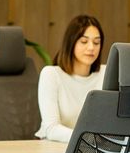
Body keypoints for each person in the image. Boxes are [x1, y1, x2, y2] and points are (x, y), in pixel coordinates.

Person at [36, 13, 105, 143]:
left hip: (94, 151)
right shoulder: (51, 74)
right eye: (84, 41)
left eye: (97, 42)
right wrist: (87, 139)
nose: (91, 47)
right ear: (71, 43)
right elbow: (51, 128)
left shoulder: (106, 73)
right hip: (54, 150)